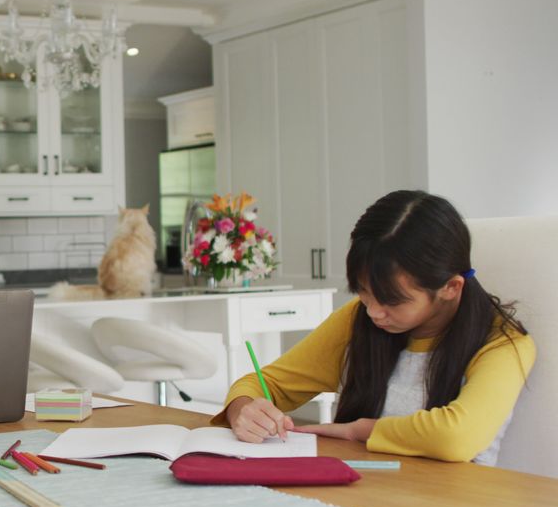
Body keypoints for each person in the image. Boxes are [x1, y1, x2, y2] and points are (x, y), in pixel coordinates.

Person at [212, 190, 535, 464]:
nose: (374, 312)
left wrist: (359, 430)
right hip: (361, 494)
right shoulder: (359, 319)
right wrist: (245, 409)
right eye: (364, 292)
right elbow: (265, 383)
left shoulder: (503, 343)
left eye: (392, 300)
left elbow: (457, 437)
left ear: (450, 288)